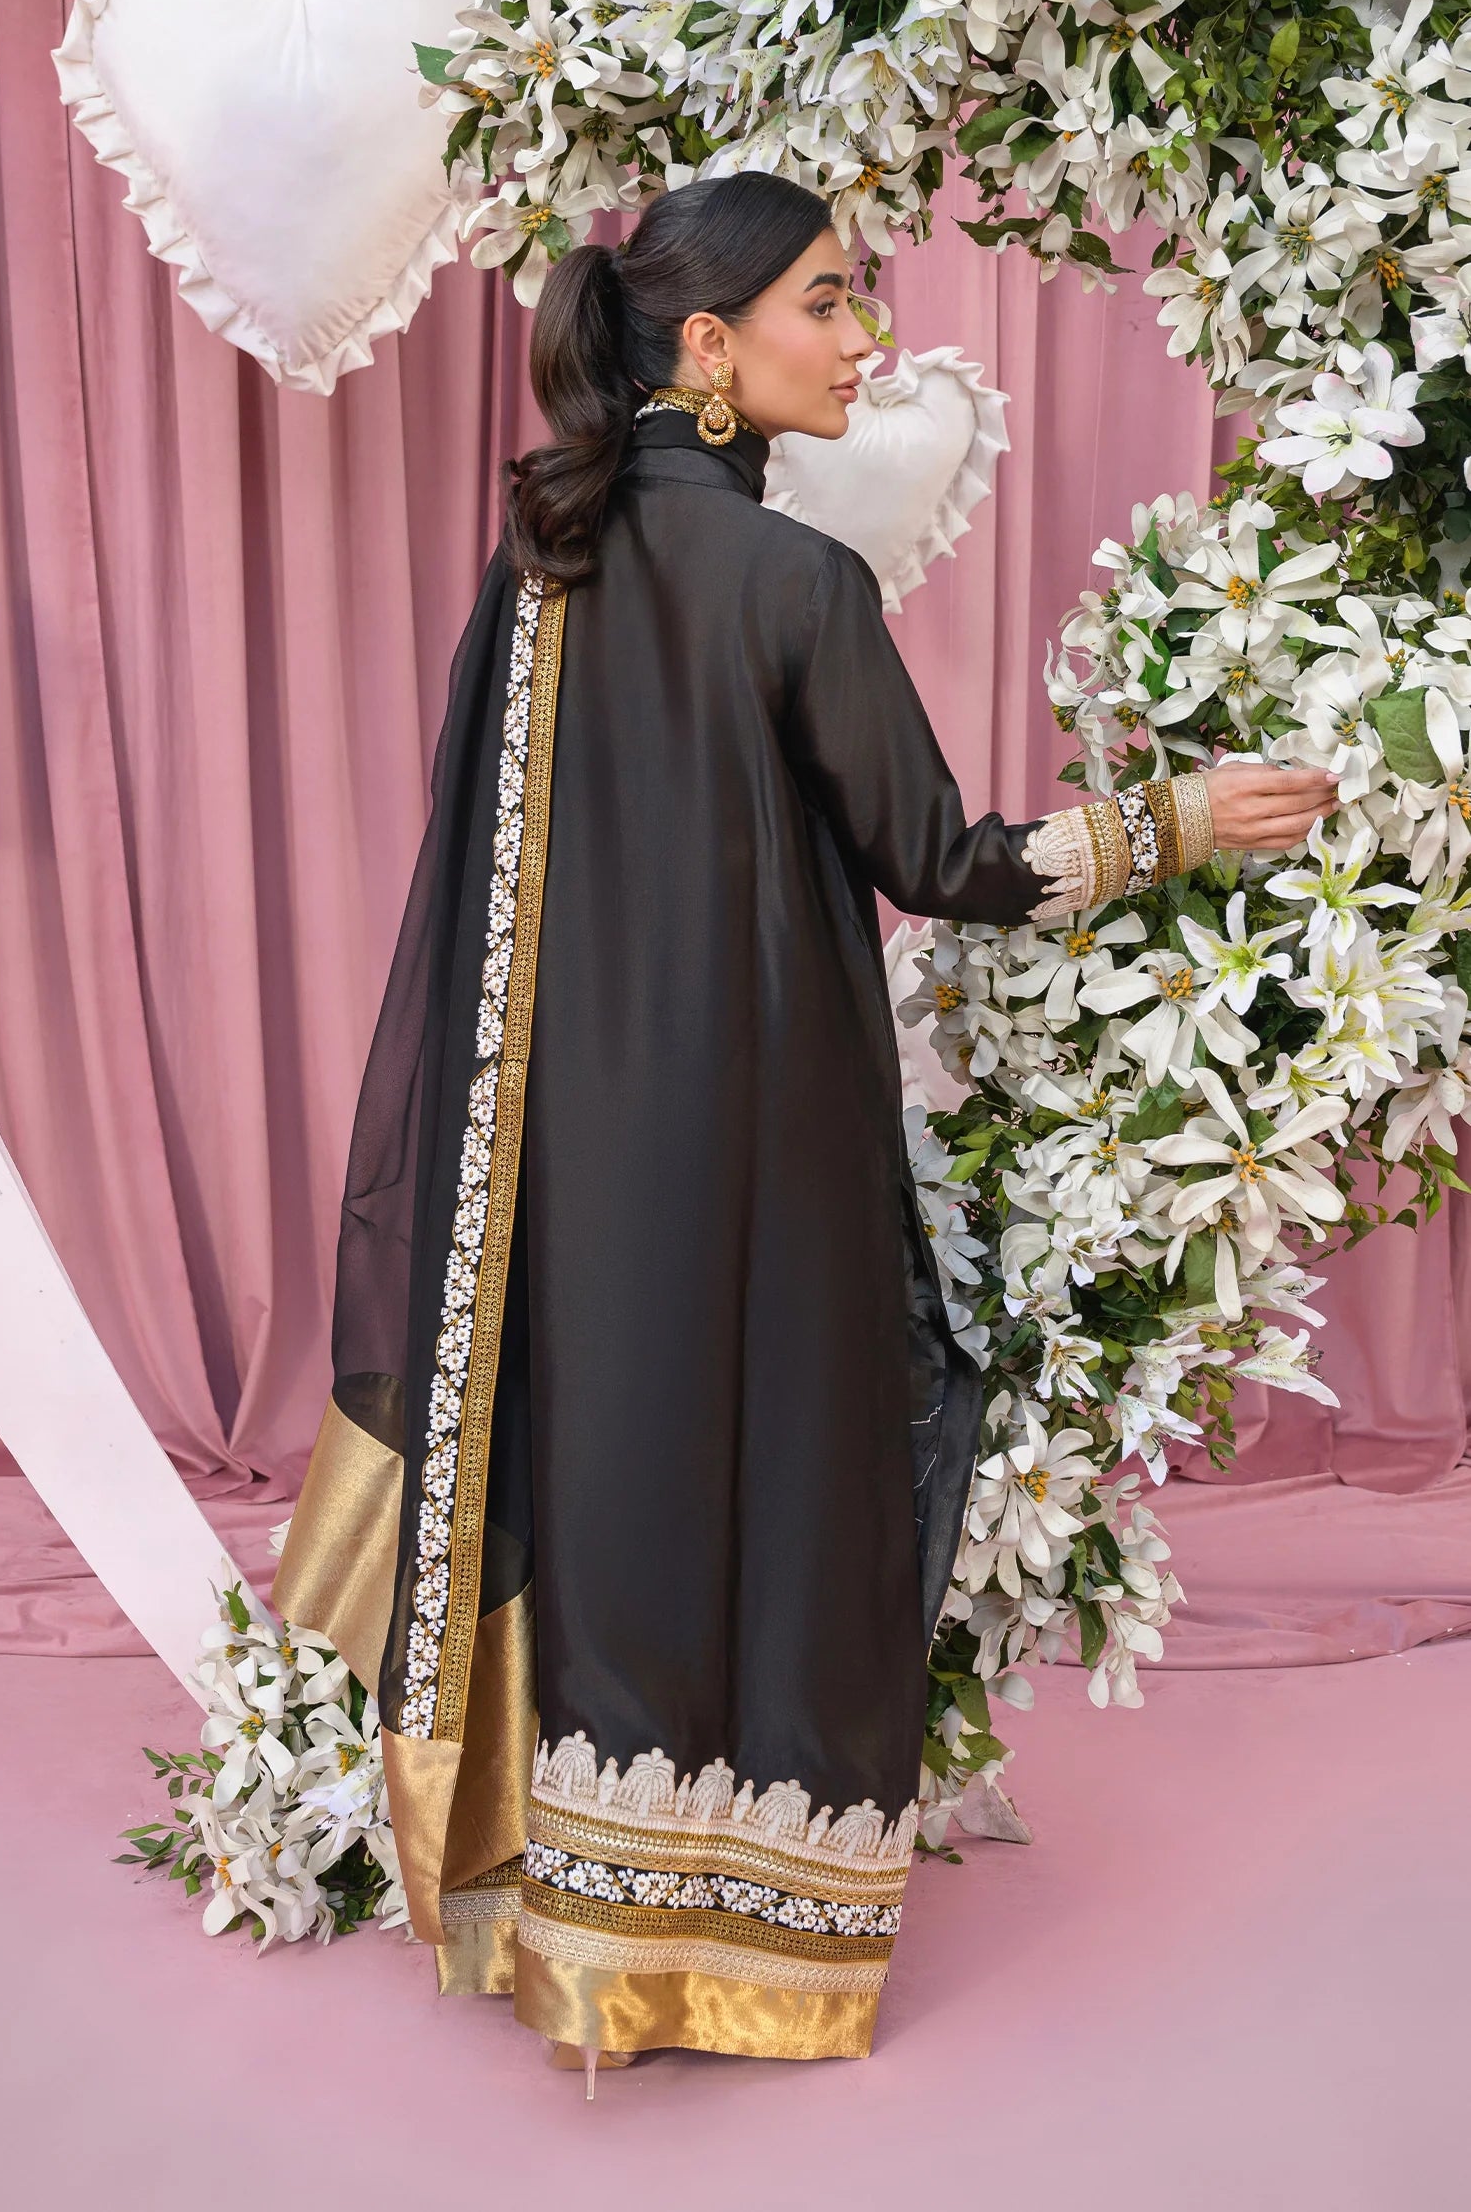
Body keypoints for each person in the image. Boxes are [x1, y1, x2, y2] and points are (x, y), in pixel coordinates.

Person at [273, 172, 1337, 2090]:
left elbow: (483, 892)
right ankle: (739, 1945)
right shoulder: (795, 584)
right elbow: (947, 863)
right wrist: (1175, 822)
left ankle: (584, 1937)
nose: (865, 342)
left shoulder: (540, 575)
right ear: (708, 343)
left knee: (613, 1483)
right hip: (762, 1140)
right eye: (830, 304)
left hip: (563, 1157)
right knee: (776, 1480)